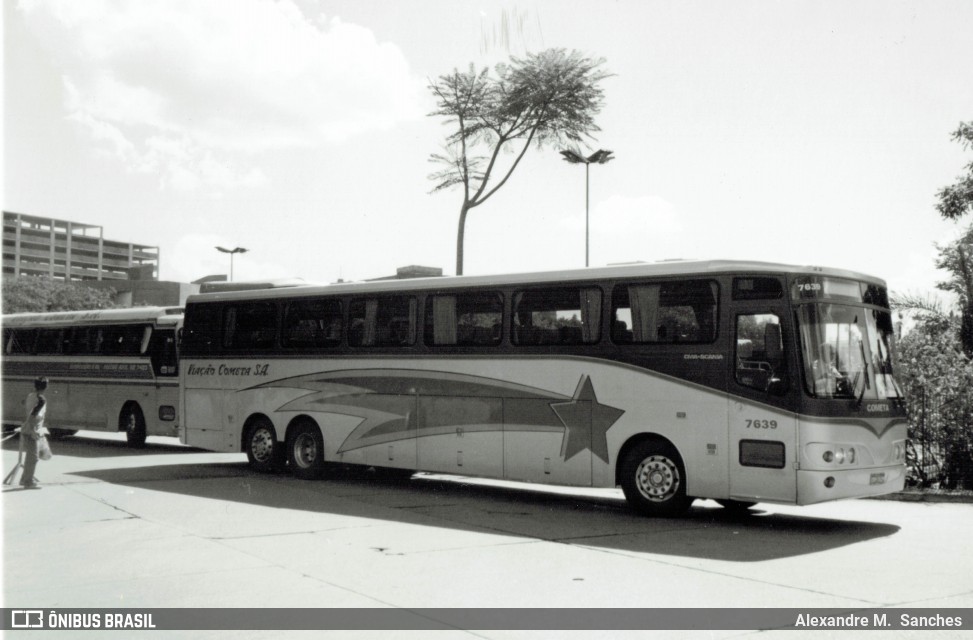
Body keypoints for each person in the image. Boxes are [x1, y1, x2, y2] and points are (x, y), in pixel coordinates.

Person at [20, 377, 49, 489]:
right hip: (31, 430)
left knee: (31, 456)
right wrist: (32, 430)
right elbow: (33, 415)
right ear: (46, 387)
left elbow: (25, 407)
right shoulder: (41, 399)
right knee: (33, 457)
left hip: (27, 428)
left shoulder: (31, 395)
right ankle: (28, 482)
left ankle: (24, 479)